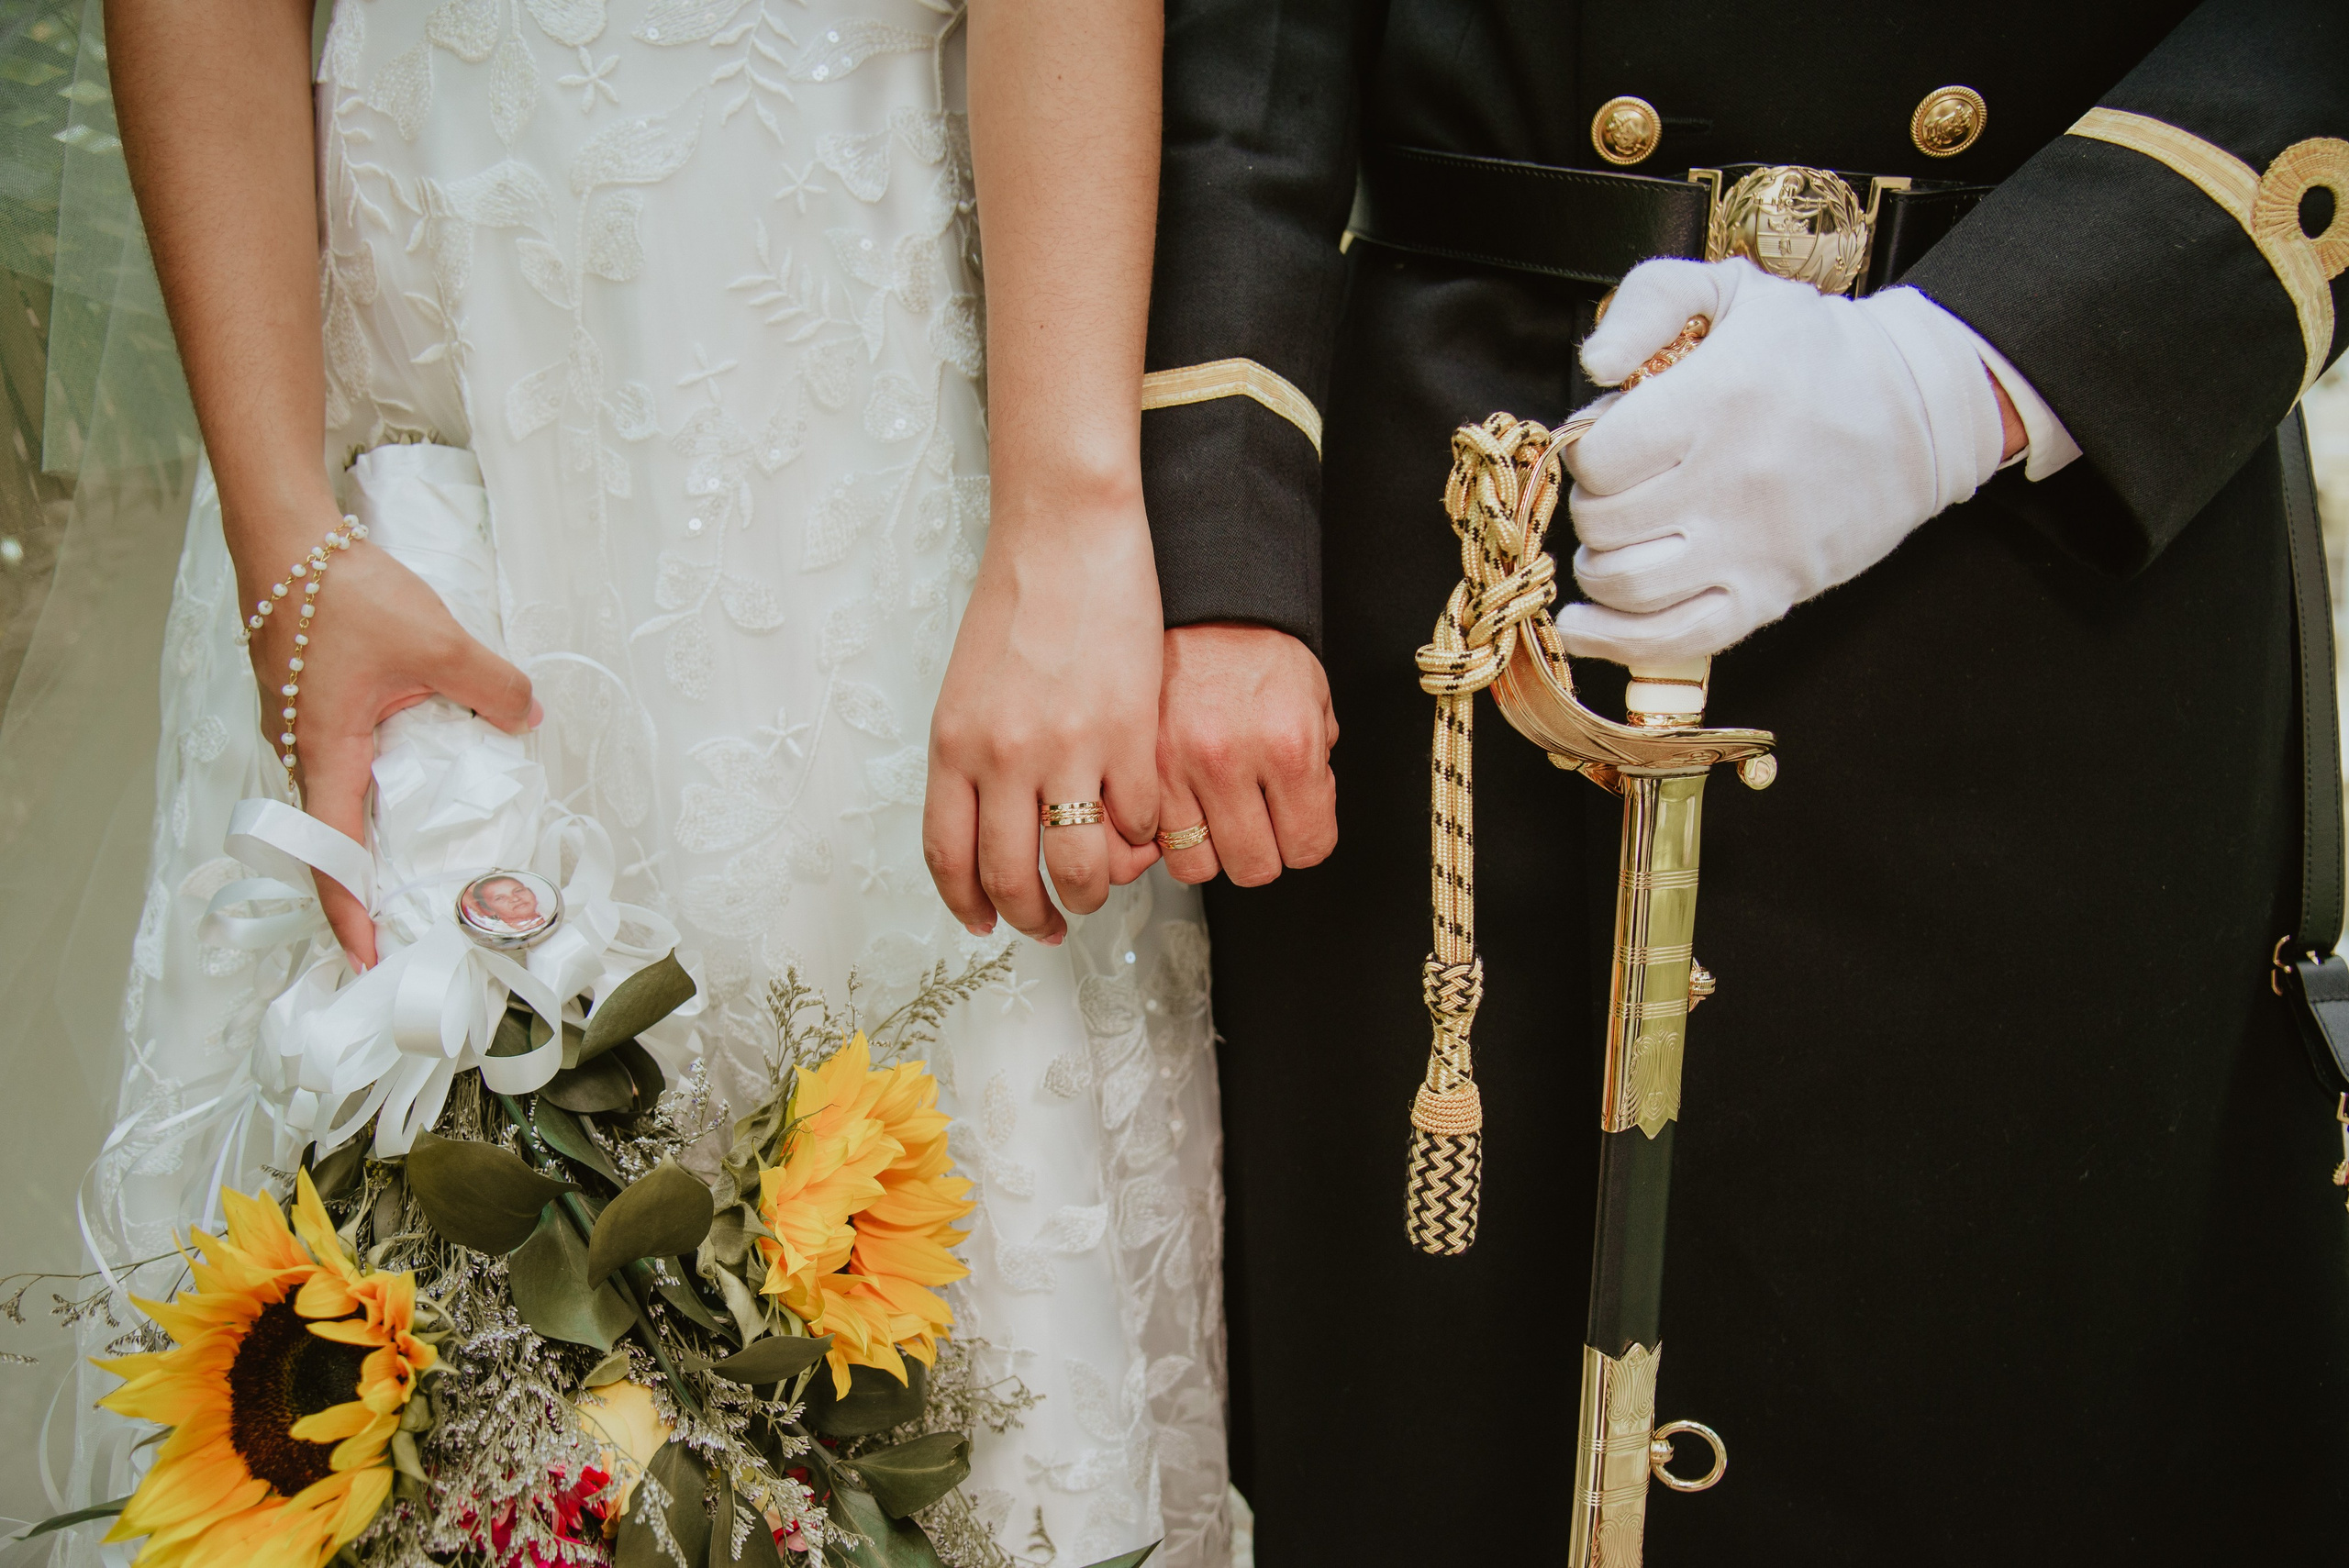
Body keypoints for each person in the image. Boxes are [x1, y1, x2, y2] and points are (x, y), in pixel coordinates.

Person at [1141, 0, 2349, 1558]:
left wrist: (1962, 376)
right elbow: (1257, 53)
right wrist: (1224, 529)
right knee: (1434, 1446)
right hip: (1473, 521)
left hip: (2054, 528)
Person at [95, 1, 1229, 1561]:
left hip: (881, 466)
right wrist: (281, 539)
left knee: (942, 1316)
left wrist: (1070, 514)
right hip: (423, 485)